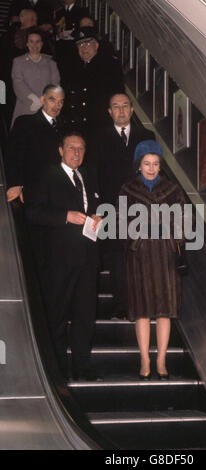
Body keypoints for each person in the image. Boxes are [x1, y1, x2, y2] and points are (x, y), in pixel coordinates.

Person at [26, 131, 101, 380]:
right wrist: (64, 216)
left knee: (85, 314)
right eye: (71, 148)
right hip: (58, 260)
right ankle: (56, 371)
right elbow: (33, 213)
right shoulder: (47, 175)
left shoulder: (88, 176)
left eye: (81, 148)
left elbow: (99, 205)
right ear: (61, 150)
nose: (76, 152)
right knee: (56, 315)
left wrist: (101, 216)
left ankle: (82, 367)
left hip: (88, 259)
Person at [118, 140, 186, 379]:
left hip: (166, 256)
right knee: (143, 311)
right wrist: (139, 237)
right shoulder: (127, 189)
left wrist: (167, 233)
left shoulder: (173, 189)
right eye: (146, 163)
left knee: (165, 311)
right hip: (140, 257)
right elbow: (121, 223)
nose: (151, 168)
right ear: (139, 165)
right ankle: (145, 359)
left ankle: (162, 360)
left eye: (155, 163)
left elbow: (184, 222)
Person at [90, 93, 155, 317]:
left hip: (141, 208)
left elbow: (155, 173)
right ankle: (122, 305)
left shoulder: (147, 137)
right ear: (109, 112)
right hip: (112, 208)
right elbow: (94, 174)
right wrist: (98, 209)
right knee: (117, 259)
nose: (120, 110)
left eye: (125, 106)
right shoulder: (99, 138)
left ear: (132, 110)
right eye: (115, 106)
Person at [5, 84, 65, 204]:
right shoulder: (25, 122)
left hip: (60, 190)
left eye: (61, 102)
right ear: (42, 100)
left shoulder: (66, 127)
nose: (57, 106)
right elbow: (13, 155)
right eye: (52, 100)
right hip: (34, 190)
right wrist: (16, 183)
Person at [61, 26, 124, 136]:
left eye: (87, 43)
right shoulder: (72, 68)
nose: (83, 47)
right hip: (76, 126)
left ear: (96, 45)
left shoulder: (109, 66)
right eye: (80, 44)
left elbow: (117, 96)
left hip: (100, 126)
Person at [11, 27, 60, 125]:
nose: (34, 45)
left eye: (37, 42)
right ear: (27, 44)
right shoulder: (18, 61)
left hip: (46, 107)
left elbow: (55, 83)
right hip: (25, 107)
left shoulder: (51, 62)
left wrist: (46, 100)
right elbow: (18, 82)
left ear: (42, 44)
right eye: (31, 41)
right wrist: (33, 99)